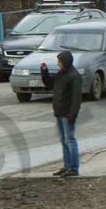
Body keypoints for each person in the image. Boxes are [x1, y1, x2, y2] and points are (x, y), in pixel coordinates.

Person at [39, 50, 83, 178]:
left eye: (59, 61)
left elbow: (76, 99)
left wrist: (72, 115)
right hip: (59, 112)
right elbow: (50, 83)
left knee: (70, 140)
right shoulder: (61, 74)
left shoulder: (74, 76)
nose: (58, 63)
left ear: (65, 62)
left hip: (67, 114)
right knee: (63, 140)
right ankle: (67, 166)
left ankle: (74, 167)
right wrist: (44, 72)